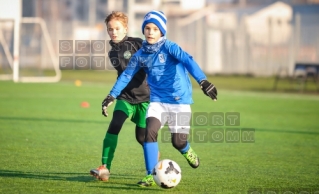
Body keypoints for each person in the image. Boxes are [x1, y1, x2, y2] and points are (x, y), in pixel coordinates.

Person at [101, 10, 218, 187]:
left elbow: (188, 60)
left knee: (177, 142)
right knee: (150, 132)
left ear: (162, 32)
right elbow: (125, 76)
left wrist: (203, 81)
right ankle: (150, 174)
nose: (150, 32)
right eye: (147, 28)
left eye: (155, 29)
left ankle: (186, 150)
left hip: (180, 101)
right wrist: (111, 95)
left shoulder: (170, 47)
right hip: (157, 101)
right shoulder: (140, 55)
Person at [90, 11, 151, 182]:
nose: (113, 32)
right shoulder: (112, 53)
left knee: (141, 137)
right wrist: (112, 96)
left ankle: (153, 165)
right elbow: (123, 77)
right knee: (114, 125)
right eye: (110, 29)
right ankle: (104, 168)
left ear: (125, 29)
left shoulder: (138, 44)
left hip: (145, 98)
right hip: (125, 98)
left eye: (117, 28)